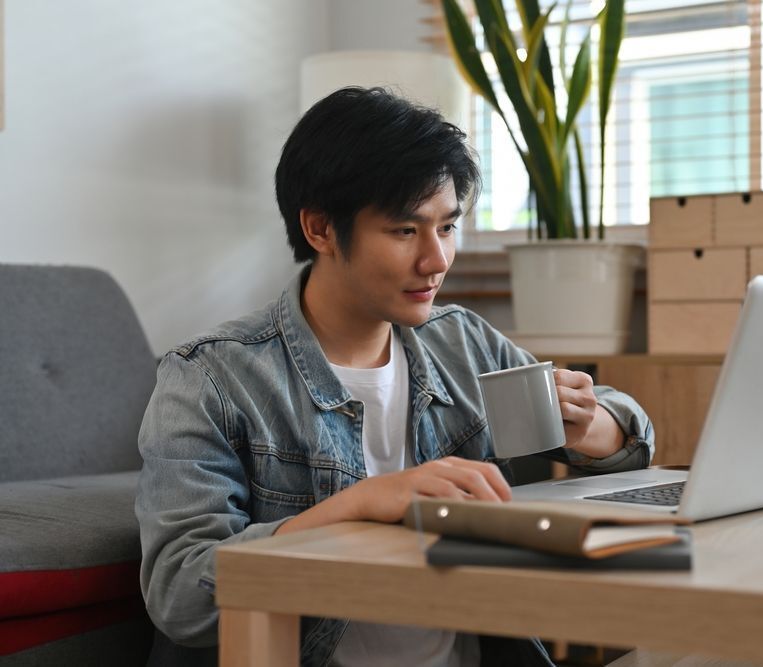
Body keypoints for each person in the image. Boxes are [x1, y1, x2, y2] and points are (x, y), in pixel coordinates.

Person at [135, 86, 655, 667]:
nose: (436, 260)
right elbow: (180, 594)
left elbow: (631, 444)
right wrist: (359, 504)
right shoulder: (210, 379)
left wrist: (590, 426)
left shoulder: (461, 341)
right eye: (406, 231)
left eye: (448, 227)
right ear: (320, 230)